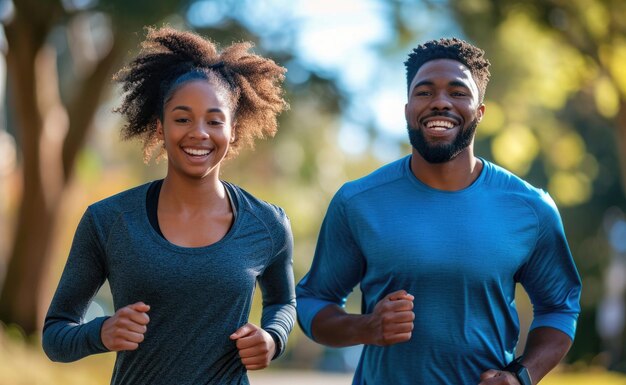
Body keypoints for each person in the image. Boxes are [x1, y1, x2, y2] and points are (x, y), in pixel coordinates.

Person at [296, 38, 581, 385]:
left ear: (480, 111)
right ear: (407, 109)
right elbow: (313, 300)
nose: (440, 102)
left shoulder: (531, 208)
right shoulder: (358, 202)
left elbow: (559, 308)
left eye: (458, 92)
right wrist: (366, 327)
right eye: (425, 92)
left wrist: (522, 376)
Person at [43, 26, 295, 385]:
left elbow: (283, 303)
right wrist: (101, 333)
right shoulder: (109, 220)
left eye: (214, 120)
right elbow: (55, 335)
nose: (199, 133)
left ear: (234, 129)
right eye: (182, 118)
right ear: (160, 127)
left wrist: (273, 339)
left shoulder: (267, 223)